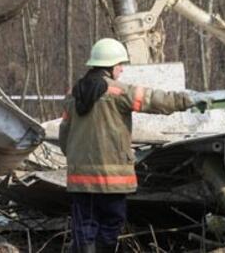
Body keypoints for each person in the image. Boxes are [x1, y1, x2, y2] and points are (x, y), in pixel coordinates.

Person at [59, 38, 207, 253]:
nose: (121, 70)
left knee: (84, 229)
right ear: (110, 66)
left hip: (80, 179)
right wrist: (187, 100)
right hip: (112, 179)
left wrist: (75, 158)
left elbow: (64, 135)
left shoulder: (72, 95)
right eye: (120, 65)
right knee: (110, 225)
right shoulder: (119, 92)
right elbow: (154, 100)